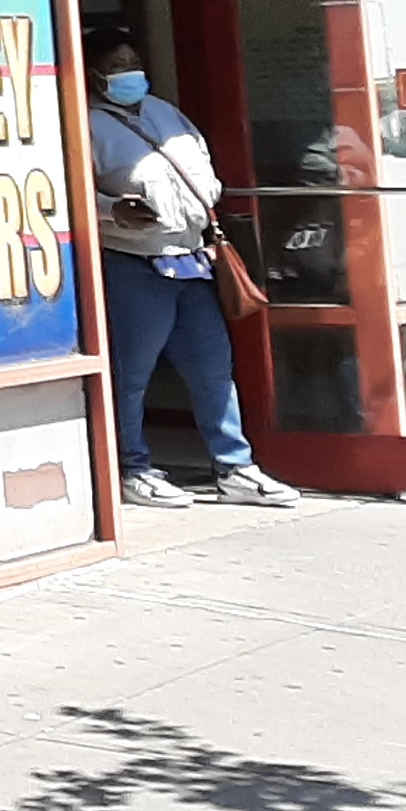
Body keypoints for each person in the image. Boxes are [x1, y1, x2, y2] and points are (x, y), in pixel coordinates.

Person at [86, 25, 301, 509]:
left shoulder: (166, 114)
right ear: (95, 74)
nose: (128, 73)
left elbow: (203, 168)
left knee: (212, 369)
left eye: (132, 63)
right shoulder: (88, 125)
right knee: (130, 373)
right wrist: (112, 210)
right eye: (116, 66)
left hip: (192, 261)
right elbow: (69, 191)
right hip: (133, 262)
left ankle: (235, 468)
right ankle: (132, 468)